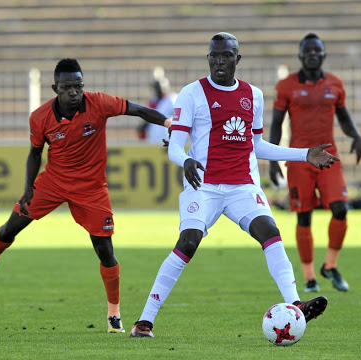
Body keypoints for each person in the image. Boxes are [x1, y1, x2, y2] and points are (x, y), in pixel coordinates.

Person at [130, 32, 338, 338]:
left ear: (237, 59)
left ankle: (296, 305)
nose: (219, 61)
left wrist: (304, 154)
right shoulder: (192, 93)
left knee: (270, 231)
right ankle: (145, 321)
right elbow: (175, 146)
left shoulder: (253, 95)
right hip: (204, 185)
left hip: (243, 186)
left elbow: (257, 145)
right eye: (214, 56)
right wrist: (185, 160)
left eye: (226, 55)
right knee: (188, 241)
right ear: (208, 58)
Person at [0, 58, 172, 334]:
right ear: (54, 88)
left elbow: (139, 110)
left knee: (105, 250)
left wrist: (168, 122)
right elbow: (35, 153)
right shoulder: (40, 117)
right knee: (11, 226)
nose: (74, 92)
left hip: (92, 188)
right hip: (53, 182)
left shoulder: (99, 103)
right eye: (67, 87)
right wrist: (28, 189)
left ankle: (114, 314)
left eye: (78, 86)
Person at [269, 33, 361, 293]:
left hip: (329, 158)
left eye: (317, 50)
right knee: (304, 217)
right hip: (299, 159)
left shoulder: (335, 84)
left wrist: (355, 135)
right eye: (307, 50)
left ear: (323, 54)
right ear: (300, 55)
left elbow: (343, 116)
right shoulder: (286, 86)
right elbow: (277, 123)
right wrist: (273, 158)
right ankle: (310, 277)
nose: (312, 54)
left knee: (341, 209)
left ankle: (330, 265)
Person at [138, 67, 177, 144]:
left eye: (157, 88)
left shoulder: (173, 99)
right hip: (154, 140)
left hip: (168, 139)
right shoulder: (155, 101)